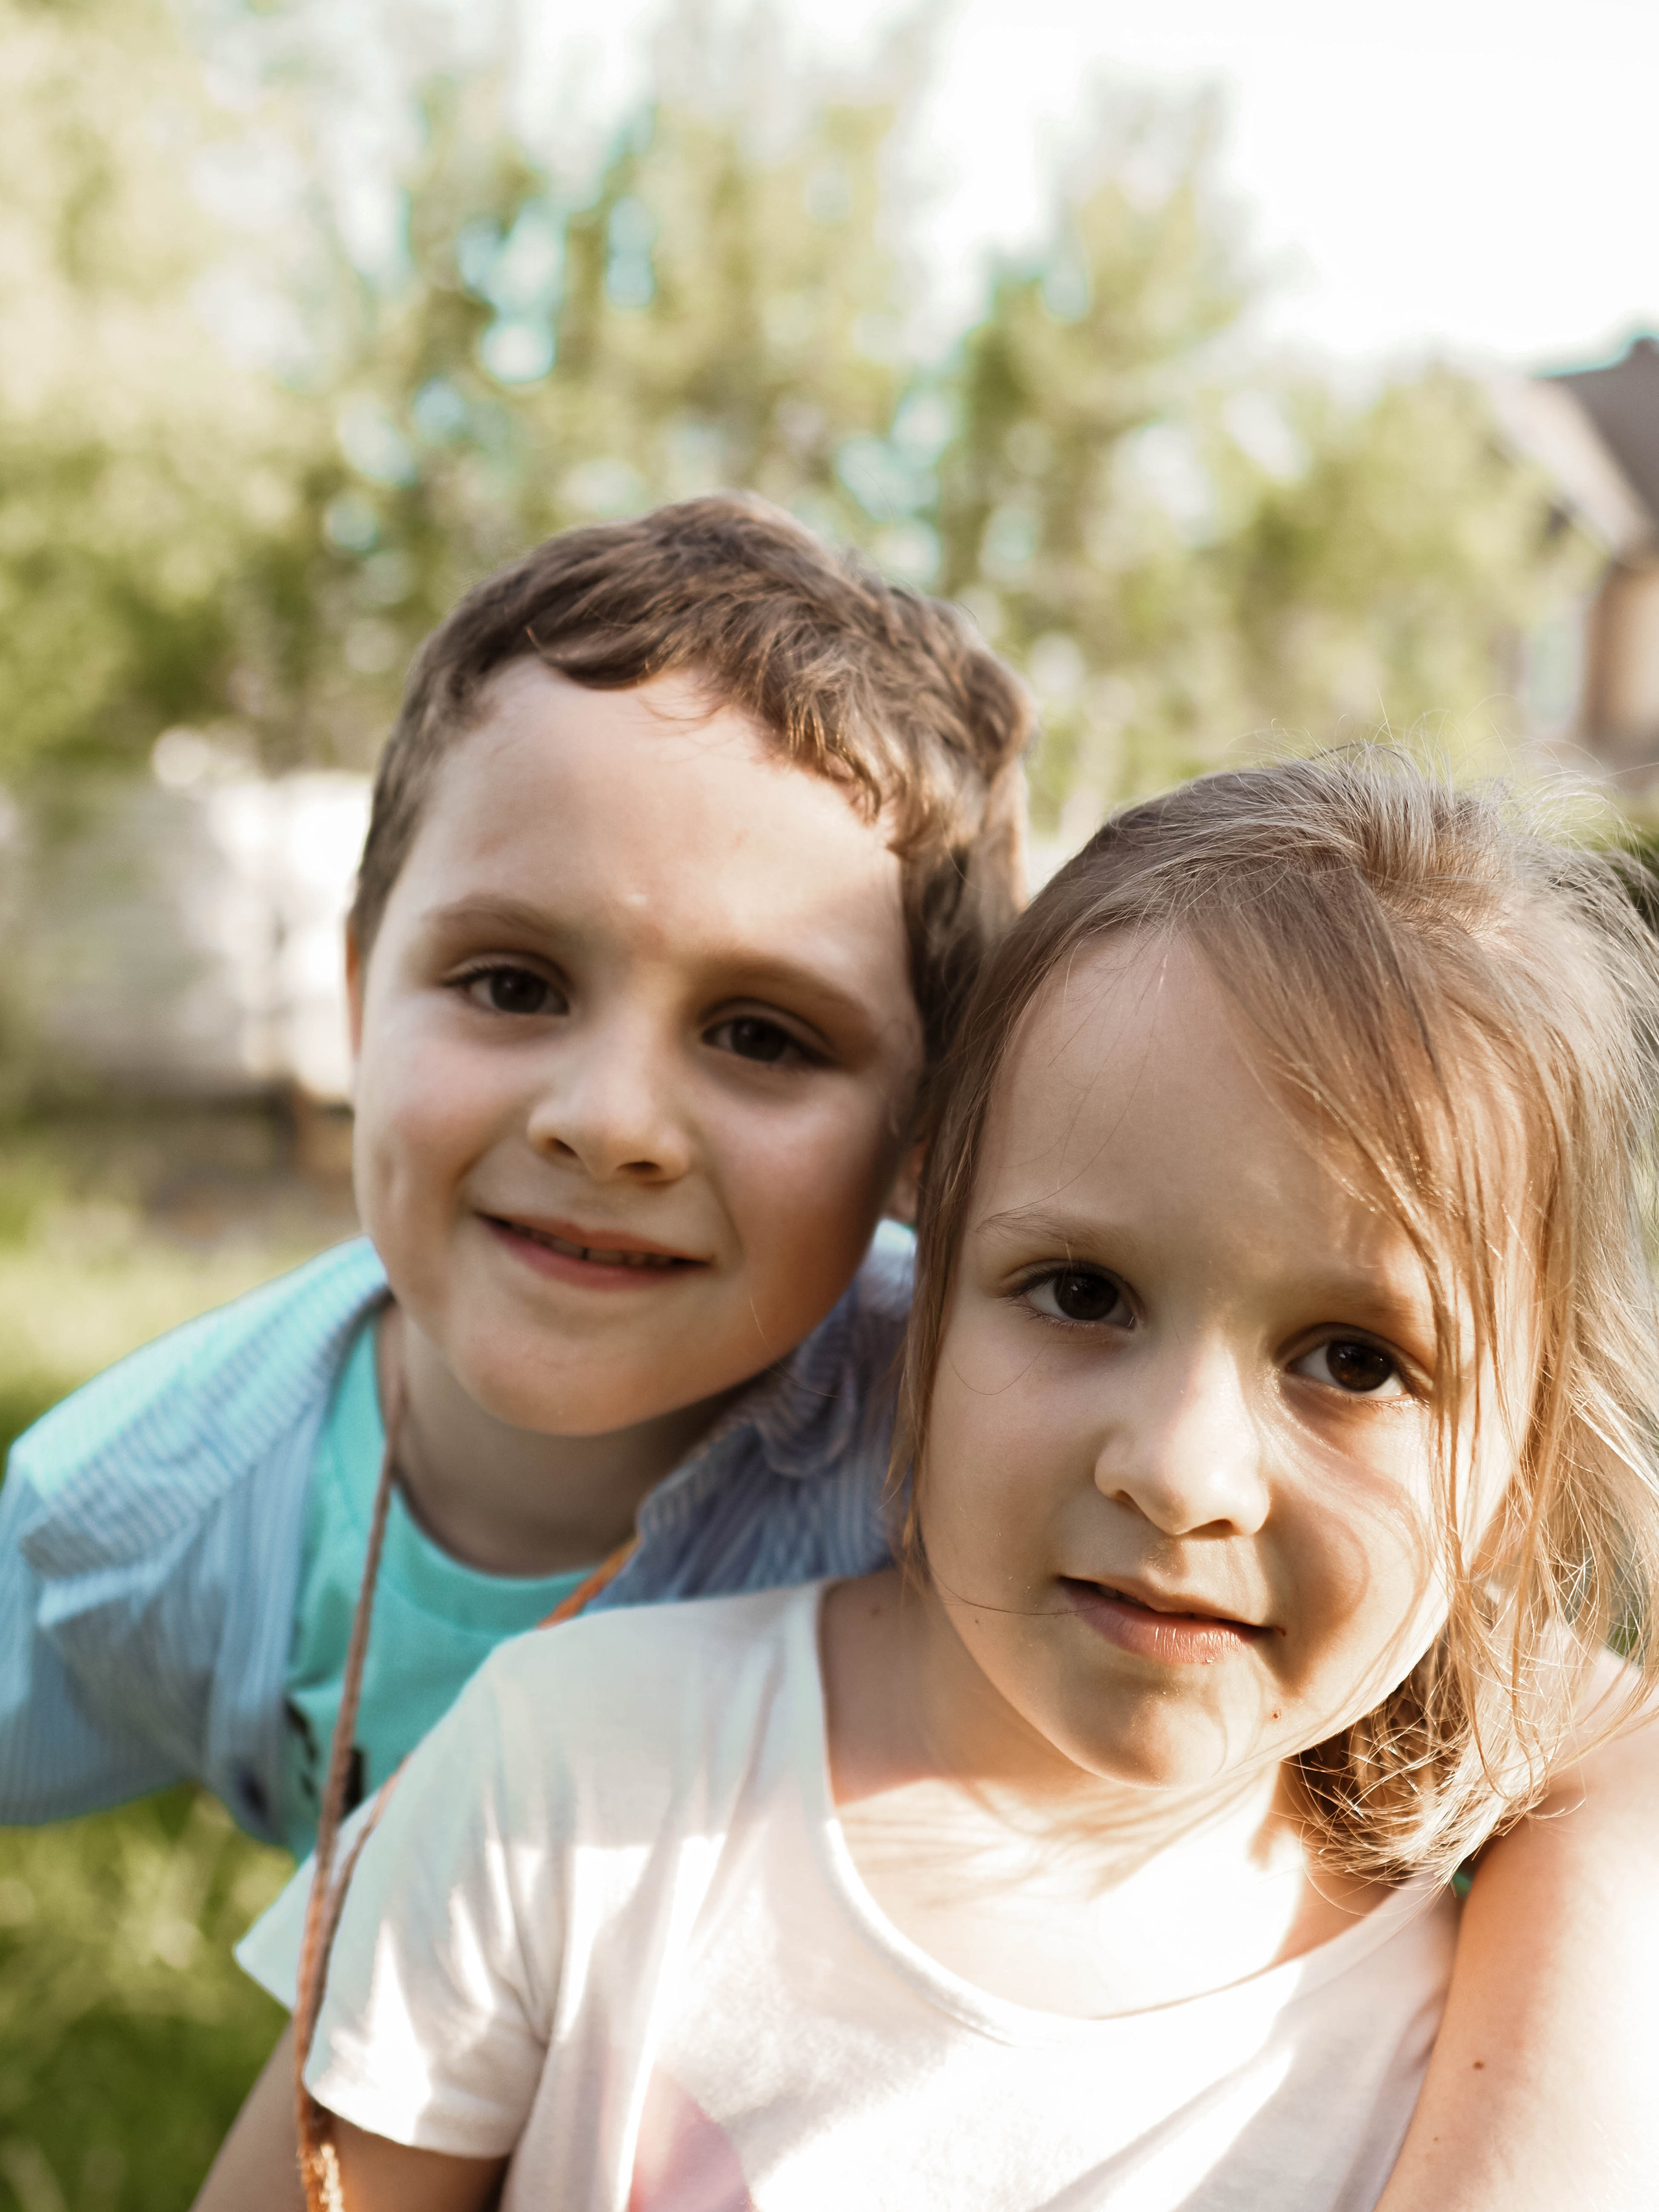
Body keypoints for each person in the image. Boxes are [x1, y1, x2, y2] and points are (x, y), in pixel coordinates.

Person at [222, 752, 1659, 2211]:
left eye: (1352, 1362)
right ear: (919, 1314)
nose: (1176, 1472)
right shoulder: (566, 1781)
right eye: (1081, 1292)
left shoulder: (1495, 2043)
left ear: (1524, 1467)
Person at [0, 493, 1029, 1854]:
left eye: (761, 1036)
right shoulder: (137, 1515)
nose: (608, 1126)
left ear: (920, 1132)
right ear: (362, 999)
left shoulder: (985, 1468)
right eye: (510, 983)